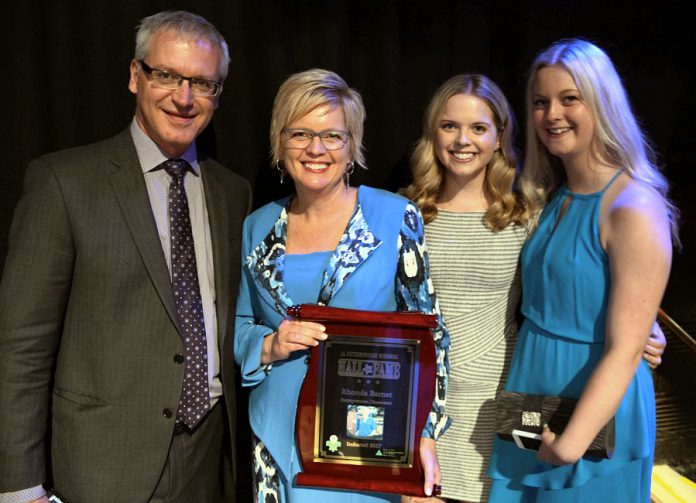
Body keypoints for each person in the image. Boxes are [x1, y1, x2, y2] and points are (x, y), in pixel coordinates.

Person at [0, 10, 250, 503]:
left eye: (203, 83)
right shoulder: (64, 182)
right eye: (168, 75)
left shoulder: (232, 194)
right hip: (103, 468)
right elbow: (20, 350)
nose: (184, 97)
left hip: (211, 466)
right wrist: (19, 488)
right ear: (136, 76)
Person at [401, 74, 668, 503]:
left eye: (478, 128)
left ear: (500, 136)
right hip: (422, 408)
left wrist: (644, 329)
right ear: (431, 132)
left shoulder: (526, 213)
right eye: (449, 126)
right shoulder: (402, 215)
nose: (462, 140)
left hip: (503, 402)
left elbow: (577, 280)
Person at [234, 68, 450, 502]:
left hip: (365, 444)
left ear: (352, 146)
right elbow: (240, 324)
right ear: (280, 143)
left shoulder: (394, 216)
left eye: (333, 136)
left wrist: (426, 436)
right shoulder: (257, 226)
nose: (316, 149)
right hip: (275, 440)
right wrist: (271, 344)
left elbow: (430, 333)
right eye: (299, 134)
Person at [487, 38, 676, 501]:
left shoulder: (633, 206)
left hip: (591, 410)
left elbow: (626, 349)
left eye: (569, 98)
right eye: (540, 101)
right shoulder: (554, 195)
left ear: (602, 102)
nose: (553, 114)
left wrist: (573, 441)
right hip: (532, 394)